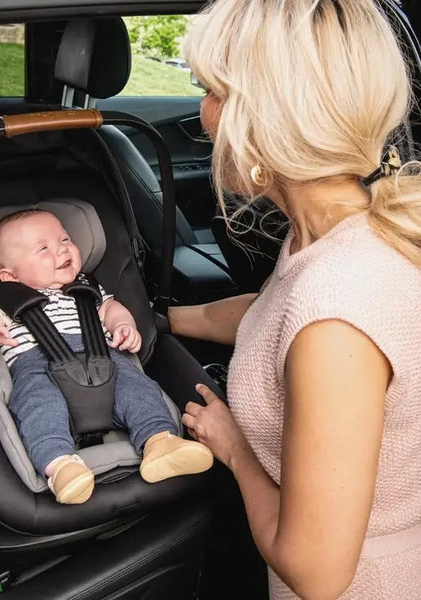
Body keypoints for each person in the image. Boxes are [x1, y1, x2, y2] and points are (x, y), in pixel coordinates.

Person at [170, 1, 421, 598]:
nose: (202, 115)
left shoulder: (336, 317)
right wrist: (166, 320)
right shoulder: (343, 228)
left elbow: (315, 572)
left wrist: (233, 447)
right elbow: (272, 310)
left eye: (211, 92)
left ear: (263, 118)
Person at [0, 209, 213, 505]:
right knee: (37, 406)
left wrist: (122, 325)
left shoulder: (87, 288)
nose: (62, 250)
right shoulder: (3, 299)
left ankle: (160, 441)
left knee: (137, 388)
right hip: (38, 367)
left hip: (104, 359)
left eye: (65, 240)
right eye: (43, 249)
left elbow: (111, 309)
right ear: (10, 276)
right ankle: (60, 465)